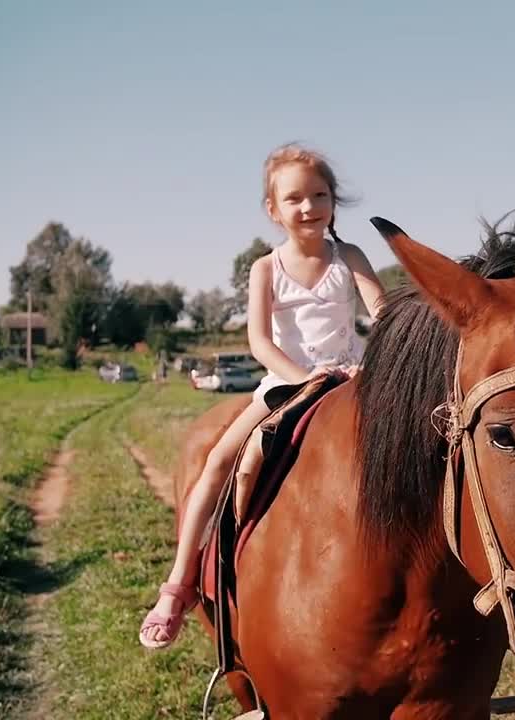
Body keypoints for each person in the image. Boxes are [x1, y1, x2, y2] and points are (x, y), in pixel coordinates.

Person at [139, 143, 385, 649]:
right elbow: (259, 342)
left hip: (352, 377)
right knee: (216, 465)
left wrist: (370, 364)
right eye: (294, 198)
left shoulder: (352, 256)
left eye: (319, 195)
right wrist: (305, 378)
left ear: (334, 202)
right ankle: (179, 585)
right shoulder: (265, 268)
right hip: (287, 382)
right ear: (273, 210)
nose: (308, 207)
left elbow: (382, 316)